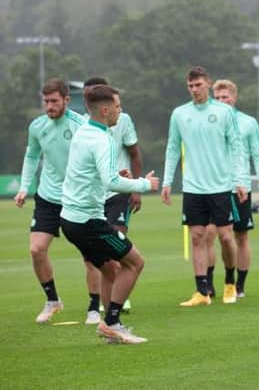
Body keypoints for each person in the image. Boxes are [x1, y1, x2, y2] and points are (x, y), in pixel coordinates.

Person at [60, 84, 159, 344]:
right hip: (89, 222)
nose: (120, 111)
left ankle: (111, 328)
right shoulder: (104, 138)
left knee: (110, 268)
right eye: (117, 106)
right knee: (135, 262)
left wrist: (116, 175)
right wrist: (143, 184)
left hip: (69, 219)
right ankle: (112, 322)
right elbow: (111, 182)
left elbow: (97, 173)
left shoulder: (83, 131)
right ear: (105, 110)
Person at [161, 66, 245, 307]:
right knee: (197, 237)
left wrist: (239, 179)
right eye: (190, 86)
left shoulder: (224, 112)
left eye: (198, 84)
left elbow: (236, 146)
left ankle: (230, 283)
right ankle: (202, 291)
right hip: (193, 187)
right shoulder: (179, 114)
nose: (194, 89)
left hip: (221, 185)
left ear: (208, 83)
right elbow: (173, 148)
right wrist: (167, 181)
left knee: (226, 237)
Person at [14, 78, 88, 324]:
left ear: (67, 100)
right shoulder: (37, 126)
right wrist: (25, 187)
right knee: (36, 249)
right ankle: (52, 300)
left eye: (54, 101)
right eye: (46, 101)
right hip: (47, 197)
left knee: (90, 254)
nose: (49, 106)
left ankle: (95, 306)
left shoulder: (82, 125)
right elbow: (32, 156)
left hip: (77, 197)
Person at [81, 76, 143, 324]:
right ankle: (101, 310)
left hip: (119, 193)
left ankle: (114, 307)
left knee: (119, 248)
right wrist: (142, 183)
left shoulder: (122, 121)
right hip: (93, 200)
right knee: (100, 258)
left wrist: (136, 189)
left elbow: (135, 153)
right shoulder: (87, 129)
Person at [211, 79, 259, 297]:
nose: (221, 101)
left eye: (225, 97)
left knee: (240, 236)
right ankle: (209, 283)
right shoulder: (209, 122)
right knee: (214, 234)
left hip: (240, 187)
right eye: (217, 98)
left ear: (234, 98)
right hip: (213, 186)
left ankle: (240, 285)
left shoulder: (248, 123)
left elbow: (258, 155)